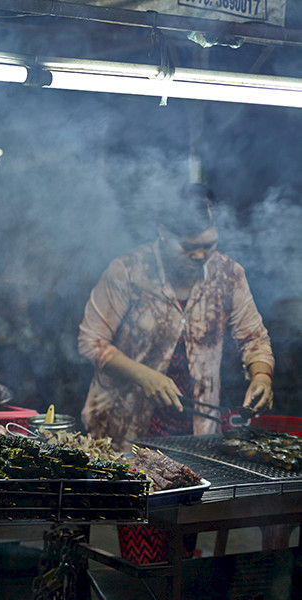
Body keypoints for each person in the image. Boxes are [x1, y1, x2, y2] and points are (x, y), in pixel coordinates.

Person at [78, 183, 274, 449]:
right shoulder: (127, 271)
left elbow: (254, 338)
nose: (201, 255)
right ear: (162, 233)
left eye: (209, 245)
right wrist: (144, 376)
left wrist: (261, 375)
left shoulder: (228, 274)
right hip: (122, 426)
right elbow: (91, 340)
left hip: (197, 432)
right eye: (188, 247)